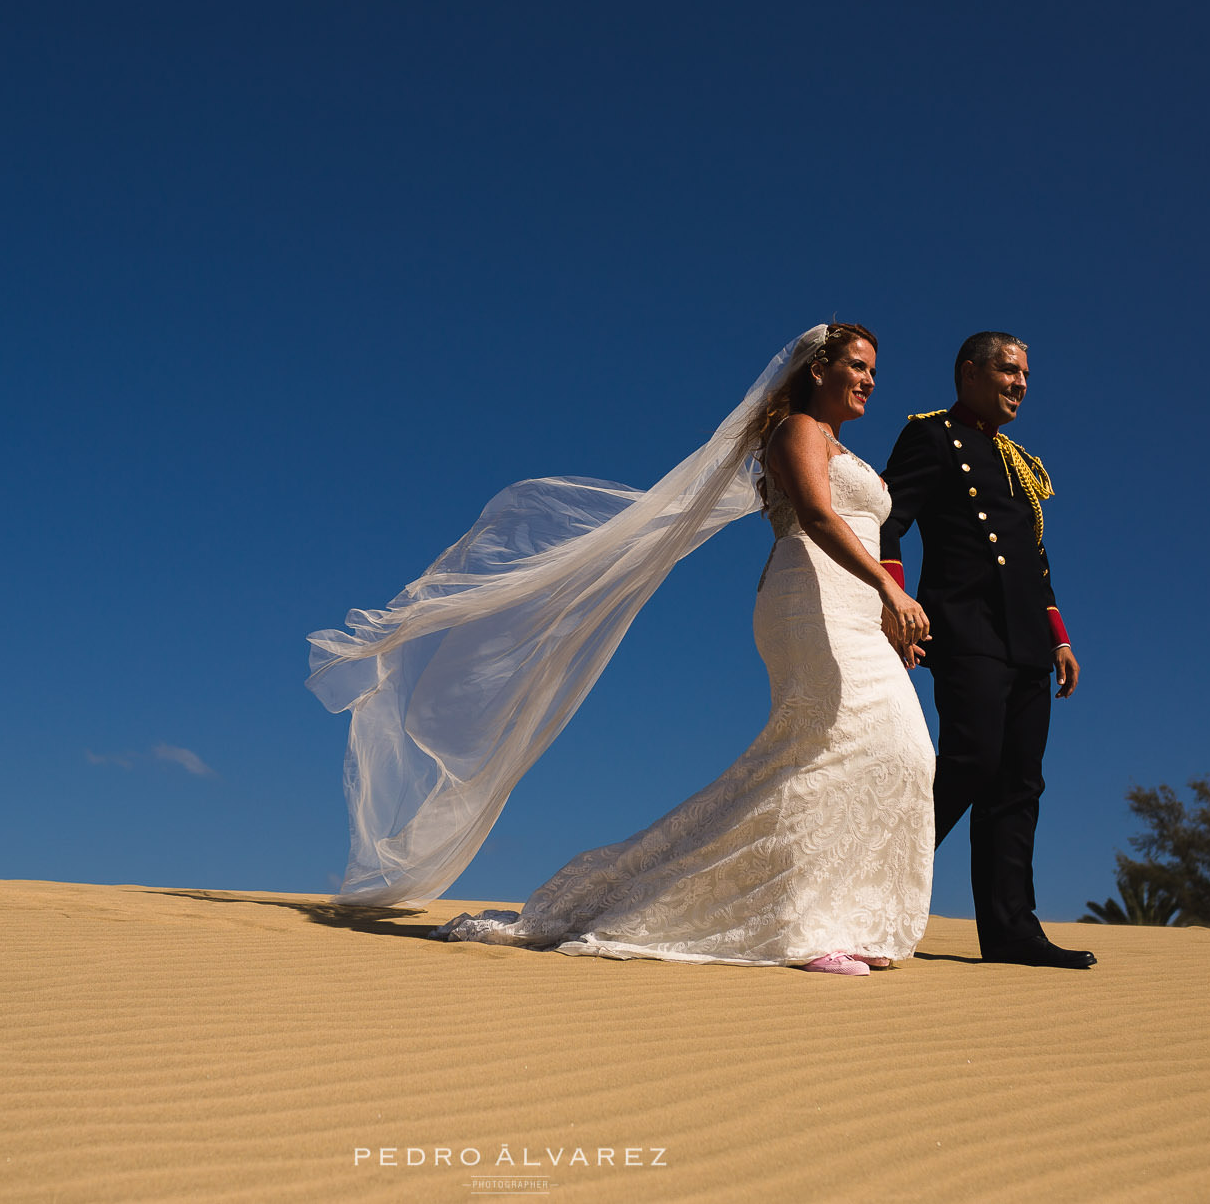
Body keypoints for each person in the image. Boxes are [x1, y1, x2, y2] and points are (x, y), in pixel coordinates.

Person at [308, 324, 938, 974]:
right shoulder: (797, 431)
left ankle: (838, 912)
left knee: (897, 752)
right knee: (845, 748)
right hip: (812, 603)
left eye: (873, 372)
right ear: (817, 369)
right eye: (857, 366)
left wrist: (887, 608)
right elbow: (816, 515)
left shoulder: (840, 446)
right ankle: (805, 926)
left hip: (859, 609)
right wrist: (891, 592)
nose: (868, 381)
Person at [877, 331, 1093, 969]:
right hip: (965, 628)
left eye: (1025, 373)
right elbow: (889, 520)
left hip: (1026, 637)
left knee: (1020, 781)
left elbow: (1033, 559)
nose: (1020, 383)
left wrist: (1058, 636)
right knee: (972, 758)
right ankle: (876, 889)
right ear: (968, 373)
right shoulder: (931, 435)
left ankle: (1011, 932)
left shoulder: (1018, 461)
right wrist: (897, 605)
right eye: (1007, 370)